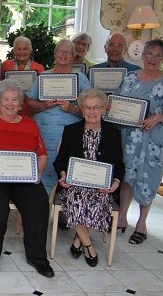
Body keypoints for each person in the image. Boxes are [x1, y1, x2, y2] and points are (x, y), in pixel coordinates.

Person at [0, 79, 54, 278]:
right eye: (6, 99)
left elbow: (42, 155)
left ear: (21, 104)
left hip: (24, 178)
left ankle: (37, 256)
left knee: (39, 203)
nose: (10, 103)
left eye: (15, 100)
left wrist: (37, 172)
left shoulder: (30, 124)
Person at [114, 39, 163, 245]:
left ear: (162, 59)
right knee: (127, 175)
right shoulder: (130, 78)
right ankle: (122, 217)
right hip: (130, 137)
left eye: (157, 55)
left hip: (153, 139)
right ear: (143, 55)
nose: (152, 58)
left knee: (148, 177)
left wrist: (158, 117)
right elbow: (119, 103)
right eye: (149, 54)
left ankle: (142, 223)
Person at [53, 88, 125, 267]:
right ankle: (88, 246)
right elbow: (60, 161)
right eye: (87, 107)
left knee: (100, 199)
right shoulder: (71, 130)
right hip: (74, 184)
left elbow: (120, 164)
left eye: (96, 107)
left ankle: (78, 241)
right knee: (75, 198)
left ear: (103, 109)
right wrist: (63, 175)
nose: (91, 112)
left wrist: (115, 183)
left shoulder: (113, 133)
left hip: (101, 185)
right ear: (81, 109)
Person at [26, 39, 92, 193]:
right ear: (55, 54)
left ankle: (61, 210)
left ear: (73, 55)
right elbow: (29, 100)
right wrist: (43, 105)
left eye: (67, 52)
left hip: (69, 133)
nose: (63, 55)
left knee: (66, 167)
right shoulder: (44, 76)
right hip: (44, 131)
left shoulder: (80, 78)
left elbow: (91, 108)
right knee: (44, 164)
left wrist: (72, 108)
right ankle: (42, 204)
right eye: (60, 51)